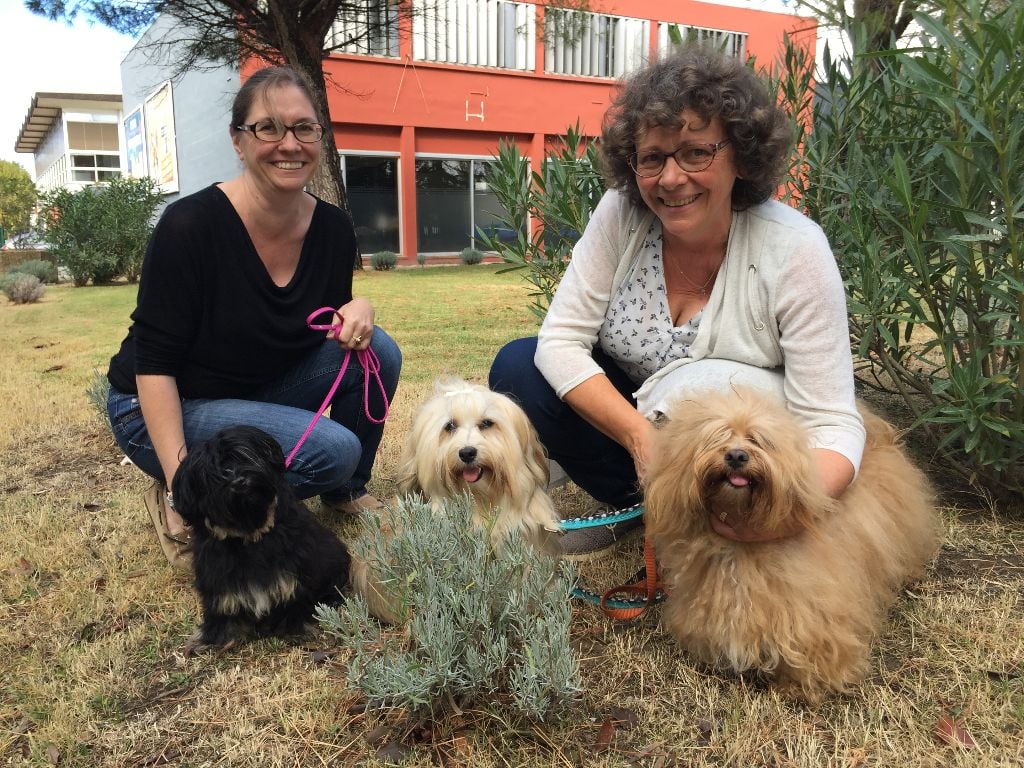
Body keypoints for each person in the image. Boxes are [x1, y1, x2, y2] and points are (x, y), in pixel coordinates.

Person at [489, 46, 865, 558]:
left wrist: (787, 516)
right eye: (652, 158)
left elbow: (832, 421)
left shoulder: (795, 250)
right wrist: (641, 438)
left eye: (695, 152)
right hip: (642, 433)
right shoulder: (621, 214)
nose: (670, 178)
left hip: (743, 449)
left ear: (741, 154)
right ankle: (641, 505)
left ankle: (724, 512)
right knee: (519, 365)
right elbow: (560, 341)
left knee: (704, 387)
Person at [106, 65, 402, 568]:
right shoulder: (190, 225)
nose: (290, 143)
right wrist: (184, 481)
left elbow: (324, 327)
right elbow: (154, 363)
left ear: (319, 137)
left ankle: (344, 492)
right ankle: (190, 490)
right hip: (160, 403)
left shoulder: (332, 228)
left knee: (378, 351)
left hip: (247, 391)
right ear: (238, 141)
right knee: (331, 450)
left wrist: (360, 309)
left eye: (304, 128)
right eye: (268, 127)